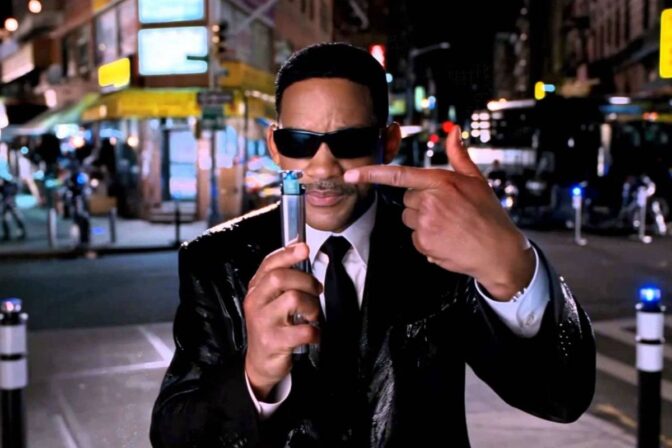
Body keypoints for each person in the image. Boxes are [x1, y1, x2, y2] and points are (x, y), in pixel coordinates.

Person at [150, 43, 595, 447]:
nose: (322, 166)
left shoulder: (441, 246)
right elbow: (174, 435)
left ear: (388, 142)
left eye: (350, 141)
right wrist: (255, 376)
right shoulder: (214, 260)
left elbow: (561, 398)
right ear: (275, 145)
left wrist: (511, 267)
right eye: (299, 142)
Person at [0, 174, 27, 241]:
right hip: (6, 203)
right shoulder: (3, 186)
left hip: (12, 203)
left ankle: (21, 233)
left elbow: (15, 191)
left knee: (17, 217)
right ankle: (7, 234)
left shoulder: (12, 183)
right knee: (5, 219)